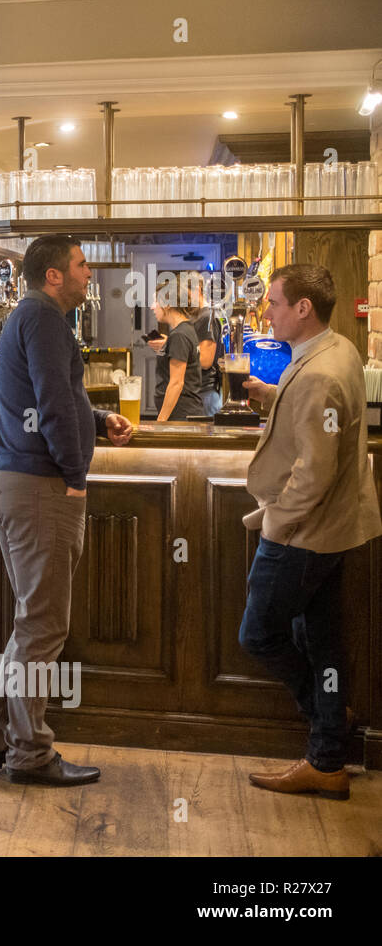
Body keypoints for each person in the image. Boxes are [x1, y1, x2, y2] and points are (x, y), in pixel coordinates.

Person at [0, 234, 134, 786]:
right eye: (81, 264)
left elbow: (53, 400)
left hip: (19, 482)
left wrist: (96, 421)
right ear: (53, 275)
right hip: (41, 488)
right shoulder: (44, 318)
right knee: (44, 627)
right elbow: (49, 402)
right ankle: (31, 754)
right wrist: (74, 475)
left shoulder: (32, 317)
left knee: (31, 623)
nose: (89, 273)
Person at [237, 264, 382, 801]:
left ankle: (328, 723)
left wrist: (277, 520)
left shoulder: (319, 371)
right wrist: (275, 400)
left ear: (303, 309)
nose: (266, 312)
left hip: (304, 532)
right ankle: (327, 759)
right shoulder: (338, 348)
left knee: (258, 635)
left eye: (274, 303)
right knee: (322, 641)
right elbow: (324, 423)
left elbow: (316, 469)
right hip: (334, 529)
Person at [147, 283, 204, 420]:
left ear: (167, 304)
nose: (152, 307)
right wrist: (168, 344)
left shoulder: (179, 335)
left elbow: (177, 383)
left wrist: (160, 421)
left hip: (181, 414)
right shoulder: (184, 330)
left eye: (155, 302)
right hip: (185, 411)